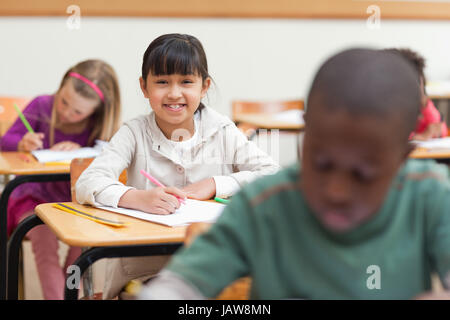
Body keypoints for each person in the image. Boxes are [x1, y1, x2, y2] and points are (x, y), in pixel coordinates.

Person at [138, 48, 450, 300]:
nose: (337, 190)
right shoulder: (266, 204)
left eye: (363, 175)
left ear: (403, 156)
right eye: (322, 164)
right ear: (305, 133)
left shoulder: (428, 194)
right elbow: (181, 286)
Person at [75, 33, 280, 299]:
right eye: (162, 82)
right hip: (144, 271)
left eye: (186, 82)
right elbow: (88, 182)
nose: (174, 93)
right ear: (144, 87)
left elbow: (273, 174)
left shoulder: (222, 130)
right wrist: (134, 197)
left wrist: (215, 183)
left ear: (204, 86)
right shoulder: (134, 132)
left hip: (212, 268)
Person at [1, 59, 122, 299]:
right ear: (60, 87)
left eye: (77, 111)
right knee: (43, 241)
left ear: (96, 111)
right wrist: (22, 143)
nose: (66, 112)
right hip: (31, 198)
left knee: (79, 254)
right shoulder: (41, 106)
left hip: (77, 201)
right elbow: (4, 142)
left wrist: (80, 153)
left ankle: (69, 293)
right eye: (63, 101)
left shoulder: (100, 127)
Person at [385, 48, 448, 141]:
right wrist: (417, 137)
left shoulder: (418, 105)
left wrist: (425, 104)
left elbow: (440, 131)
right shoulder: (383, 105)